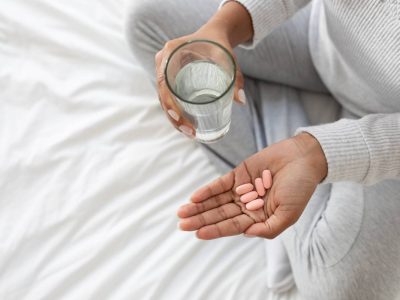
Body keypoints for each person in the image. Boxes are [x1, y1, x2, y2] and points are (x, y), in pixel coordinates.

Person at [126, 0, 400, 299]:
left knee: (335, 288)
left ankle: (283, 144)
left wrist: (320, 152)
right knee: (152, 29)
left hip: (387, 126)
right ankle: (282, 155)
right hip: (322, 43)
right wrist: (224, 27)